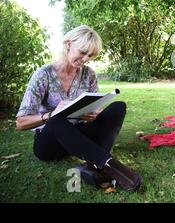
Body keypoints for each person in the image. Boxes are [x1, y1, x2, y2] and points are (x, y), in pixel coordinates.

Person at [15, 25, 142, 192]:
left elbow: (97, 106)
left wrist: (95, 114)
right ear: (68, 44)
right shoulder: (43, 75)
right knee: (57, 120)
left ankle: (93, 166)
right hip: (49, 144)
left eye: (90, 56)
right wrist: (51, 115)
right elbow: (20, 123)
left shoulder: (89, 74)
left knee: (118, 107)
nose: (86, 59)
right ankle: (109, 165)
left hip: (78, 138)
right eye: (83, 52)